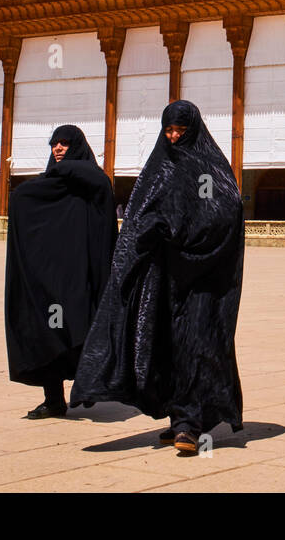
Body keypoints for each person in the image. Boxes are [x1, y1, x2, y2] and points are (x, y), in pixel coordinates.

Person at [72, 100, 244, 456]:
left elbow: (223, 212)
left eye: (181, 130)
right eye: (169, 130)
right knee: (164, 344)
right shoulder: (159, 167)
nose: (175, 136)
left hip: (201, 278)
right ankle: (177, 416)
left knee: (197, 345)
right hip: (162, 278)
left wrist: (176, 229)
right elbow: (139, 216)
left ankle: (190, 423)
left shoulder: (208, 168)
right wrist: (146, 236)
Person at [6, 125, 117, 419]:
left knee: (81, 328)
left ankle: (90, 385)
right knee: (48, 332)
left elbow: (100, 185)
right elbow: (24, 198)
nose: (57, 148)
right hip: (49, 277)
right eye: (54, 144)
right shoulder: (49, 184)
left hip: (81, 274)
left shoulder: (90, 179)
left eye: (65, 143)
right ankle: (53, 398)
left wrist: (66, 169)